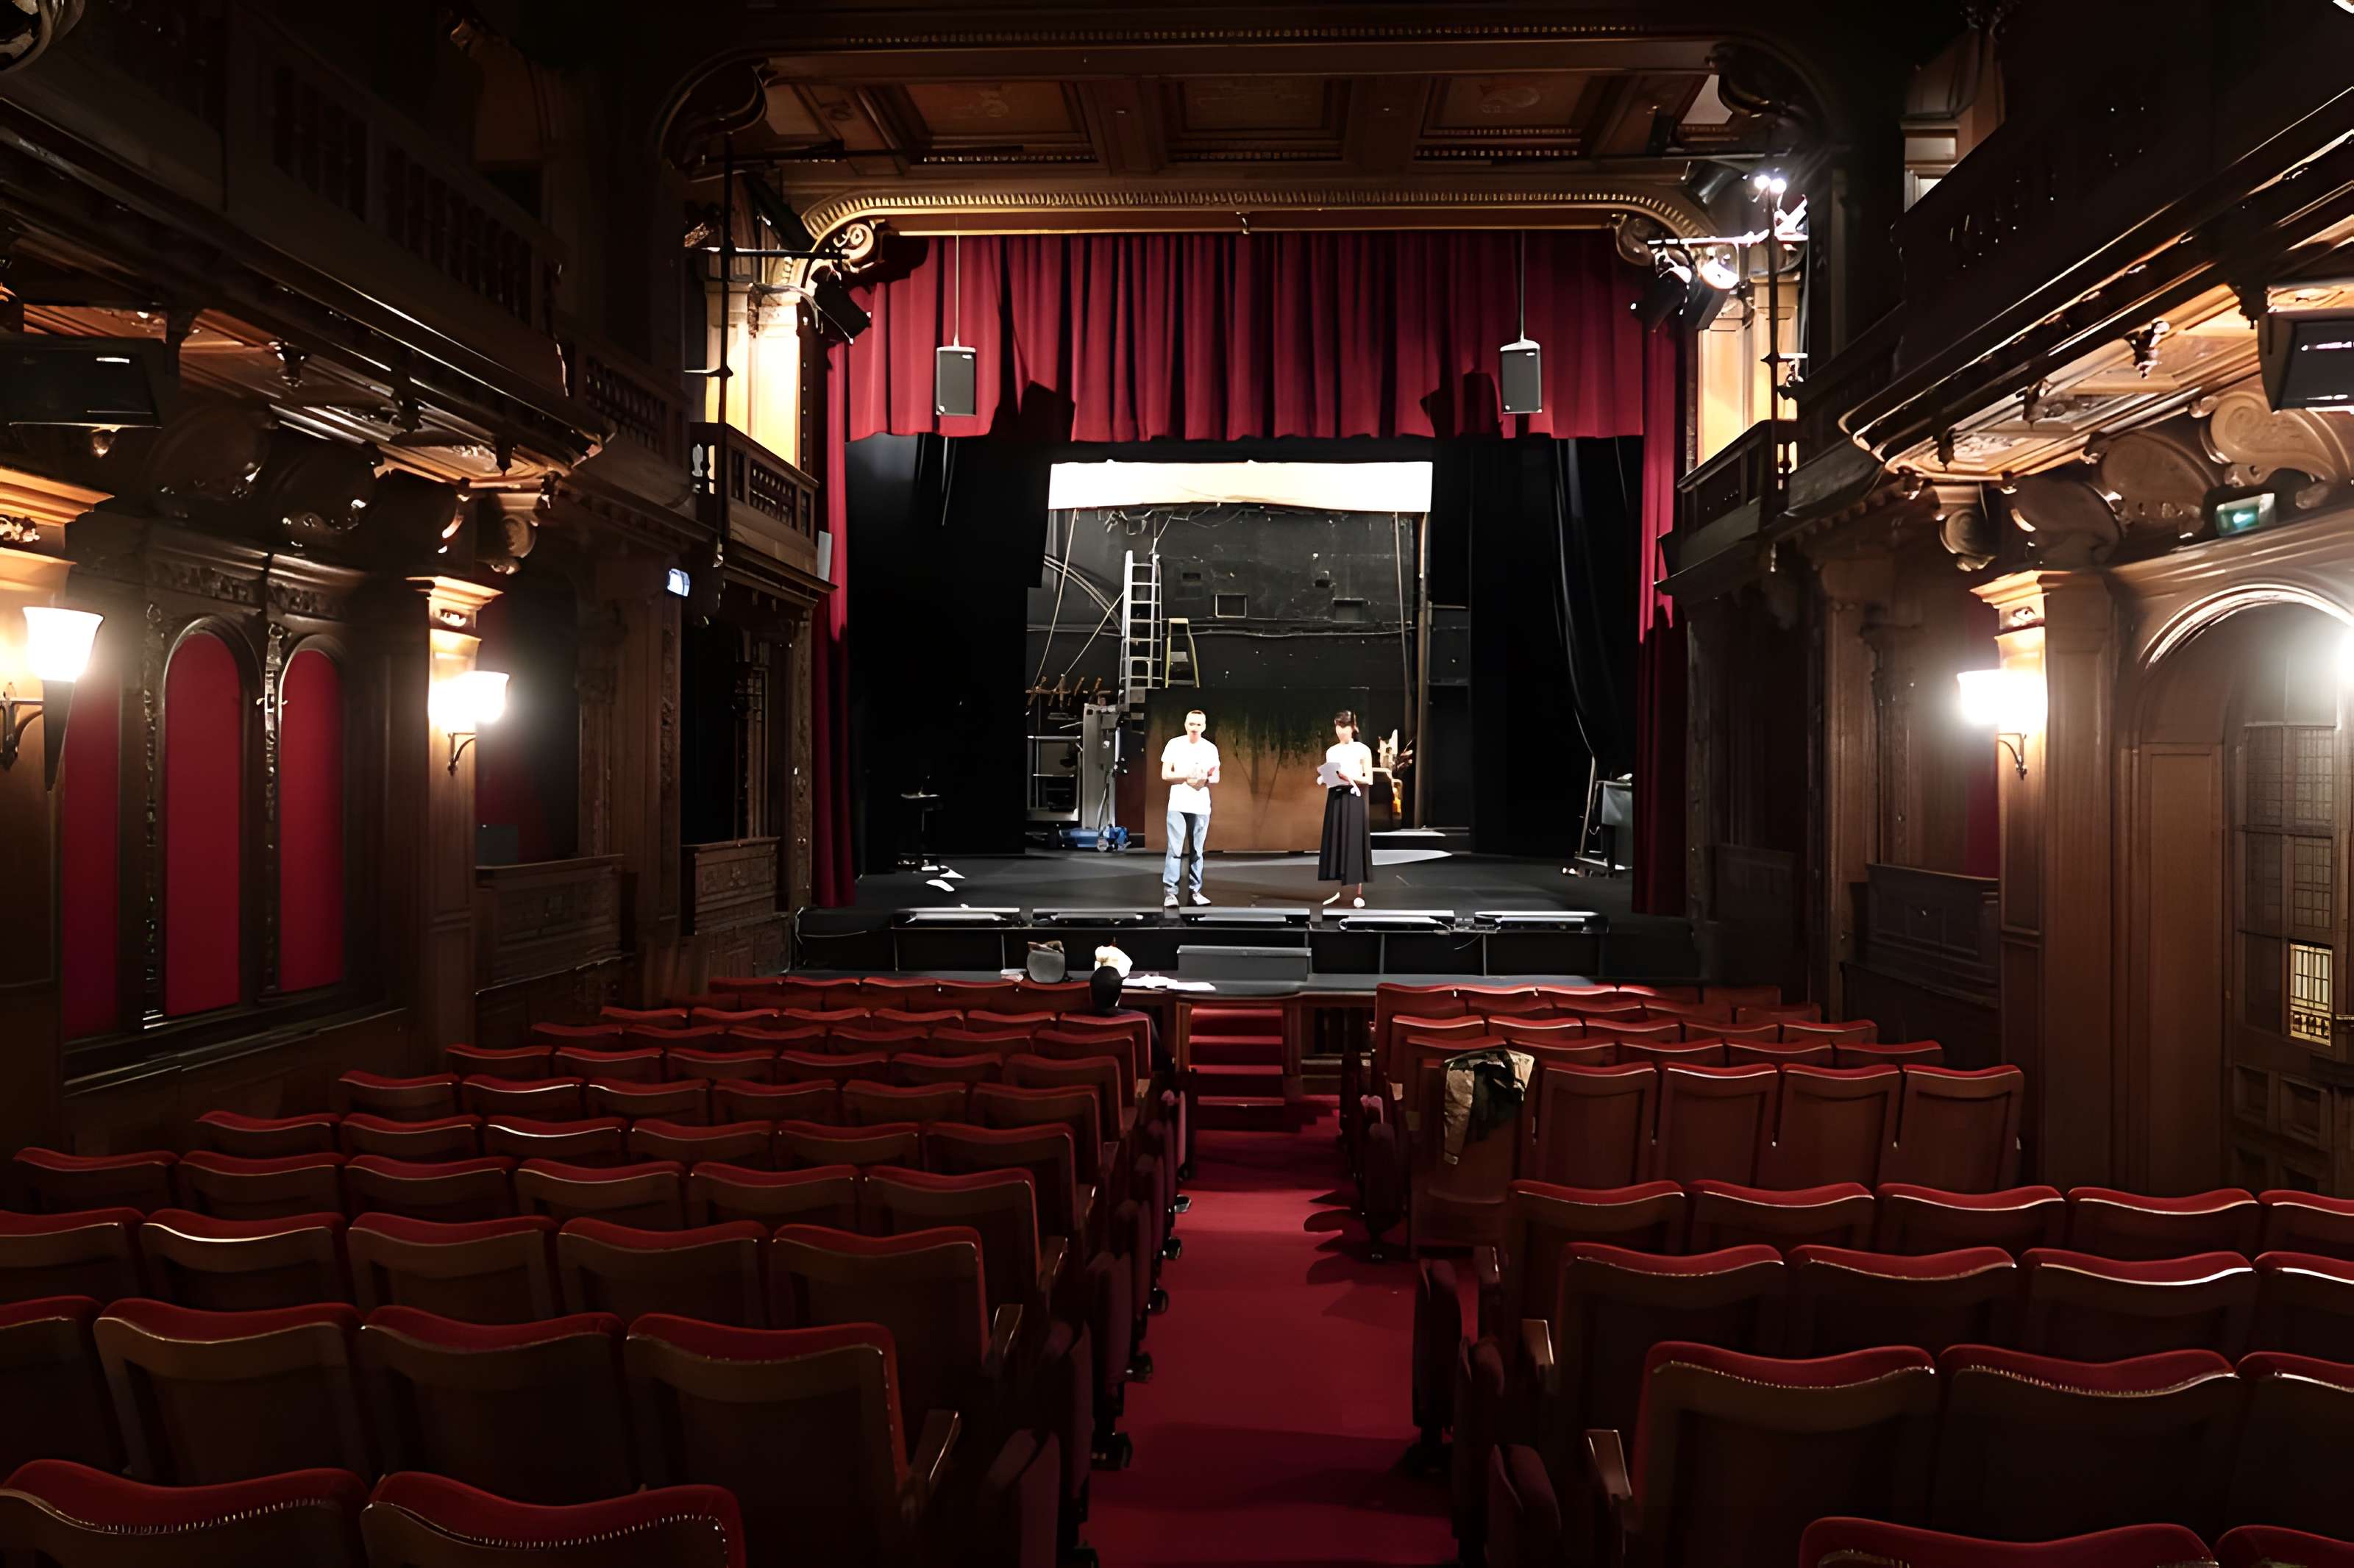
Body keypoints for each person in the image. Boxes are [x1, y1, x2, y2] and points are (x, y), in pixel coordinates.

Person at [1160, 708, 1219, 908]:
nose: (1194, 728)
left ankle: (1195, 891)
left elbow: (1216, 777)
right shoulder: (1174, 745)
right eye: (1191, 723)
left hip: (1201, 805)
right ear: (1186, 724)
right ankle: (1171, 893)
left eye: (1198, 724)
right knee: (1175, 849)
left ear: (1204, 726)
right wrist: (1186, 777)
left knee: (1197, 851)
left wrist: (1203, 779)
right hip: (1178, 803)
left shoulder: (1210, 748)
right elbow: (1166, 774)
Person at [1318, 709, 1375, 908]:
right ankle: (1339, 889)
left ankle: (1358, 891)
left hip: (1355, 797)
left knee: (1354, 841)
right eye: (1338, 726)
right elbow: (1331, 775)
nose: (1341, 731)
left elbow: (1369, 779)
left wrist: (1348, 777)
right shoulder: (1332, 751)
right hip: (1336, 797)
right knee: (1338, 841)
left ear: (1353, 728)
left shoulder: (1362, 749)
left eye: (1344, 726)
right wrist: (1326, 777)